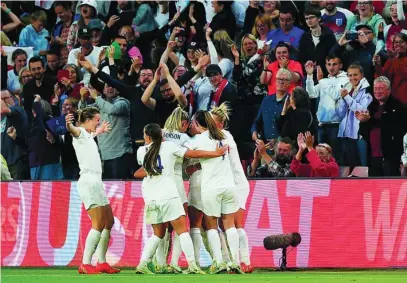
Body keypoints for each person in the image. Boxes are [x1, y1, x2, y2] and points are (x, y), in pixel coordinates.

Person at [134, 123, 228, 274]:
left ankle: (143, 263)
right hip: (169, 196)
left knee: (158, 234)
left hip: (151, 198)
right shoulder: (169, 147)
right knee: (182, 231)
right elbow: (192, 154)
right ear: (161, 135)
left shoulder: (140, 151)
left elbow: (143, 168)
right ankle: (192, 265)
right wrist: (215, 154)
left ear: (147, 136)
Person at [184, 111, 242, 274]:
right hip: (229, 186)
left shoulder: (199, 139)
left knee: (211, 226)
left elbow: (185, 153)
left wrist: (207, 156)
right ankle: (235, 262)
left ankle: (218, 262)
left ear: (195, 124)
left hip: (211, 188)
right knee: (229, 225)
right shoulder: (224, 136)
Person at [65, 108, 119, 274]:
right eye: (96, 120)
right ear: (87, 120)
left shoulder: (87, 135)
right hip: (89, 182)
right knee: (98, 224)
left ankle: (102, 262)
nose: (98, 122)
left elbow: (89, 135)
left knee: (109, 221)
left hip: (96, 182)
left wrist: (98, 131)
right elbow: (74, 131)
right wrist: (68, 124)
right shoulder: (80, 132)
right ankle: (85, 263)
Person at [211, 103, 253, 273]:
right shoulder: (220, 135)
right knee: (224, 225)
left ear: (220, 123)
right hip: (228, 184)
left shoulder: (223, 136)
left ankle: (244, 261)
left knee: (235, 224)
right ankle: (229, 261)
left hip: (236, 185)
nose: (208, 125)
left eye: (212, 122)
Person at [358, 76, 407, 177]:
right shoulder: (371, 106)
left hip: (390, 156)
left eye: (380, 89)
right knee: (374, 187)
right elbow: (363, 130)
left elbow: (398, 128)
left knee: (391, 187)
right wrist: (363, 121)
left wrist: (371, 120)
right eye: (375, 89)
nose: (377, 92)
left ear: (389, 90)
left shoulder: (398, 106)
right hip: (372, 155)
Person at [305, 54, 349, 157]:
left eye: (334, 64)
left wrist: (321, 81)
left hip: (337, 126)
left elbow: (335, 95)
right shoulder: (324, 81)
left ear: (341, 65)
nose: (331, 67)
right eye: (329, 64)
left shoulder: (346, 79)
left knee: (336, 158)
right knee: (322, 159)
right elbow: (311, 94)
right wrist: (310, 76)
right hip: (321, 126)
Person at [335, 62, 372, 168]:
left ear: (362, 75)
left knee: (362, 166)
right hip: (346, 133)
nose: (352, 78)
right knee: (350, 166)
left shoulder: (367, 90)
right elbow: (340, 113)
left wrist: (346, 97)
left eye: (355, 75)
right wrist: (342, 99)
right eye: (350, 75)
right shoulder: (348, 89)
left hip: (360, 134)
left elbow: (361, 110)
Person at [252, 68, 291, 142]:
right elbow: (257, 121)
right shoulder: (266, 100)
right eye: (278, 79)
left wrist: (278, 141)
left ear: (289, 83)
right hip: (265, 145)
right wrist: (254, 131)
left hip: (283, 147)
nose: (280, 82)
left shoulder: (291, 102)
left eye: (284, 80)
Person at [298, 6, 337, 78]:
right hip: (309, 74)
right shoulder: (304, 36)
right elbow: (300, 58)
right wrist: (306, 64)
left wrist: (320, 66)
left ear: (319, 18)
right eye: (306, 18)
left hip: (327, 74)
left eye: (311, 18)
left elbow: (333, 55)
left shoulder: (329, 35)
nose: (309, 20)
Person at [374, 33, 407, 105]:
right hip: (391, 102)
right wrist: (378, 65)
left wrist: (396, 58)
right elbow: (383, 79)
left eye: (401, 42)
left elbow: (403, 74)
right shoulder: (391, 61)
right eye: (396, 42)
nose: (398, 44)